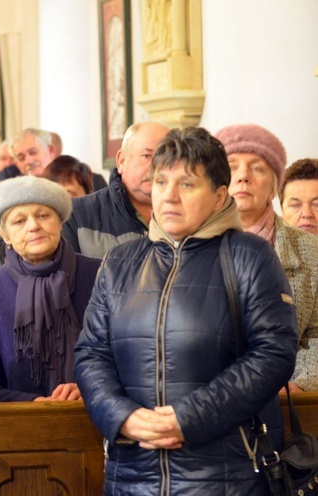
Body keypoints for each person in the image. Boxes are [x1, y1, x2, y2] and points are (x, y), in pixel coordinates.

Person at [74, 127, 298, 494]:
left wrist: (187, 419)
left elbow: (273, 354)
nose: (170, 196)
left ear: (219, 195)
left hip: (224, 474)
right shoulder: (121, 262)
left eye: (187, 184)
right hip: (133, 475)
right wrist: (121, 417)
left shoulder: (248, 256)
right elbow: (91, 353)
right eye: (161, 182)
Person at [0, 175, 101, 402]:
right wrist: (29, 404)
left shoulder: (100, 276)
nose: (34, 226)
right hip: (15, 427)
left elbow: (124, 358)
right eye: (19, 221)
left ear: (60, 222)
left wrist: (90, 389)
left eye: (43, 215)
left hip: (97, 419)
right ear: (5, 235)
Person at [216, 124, 318, 391]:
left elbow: (317, 335)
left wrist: (298, 383)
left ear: (274, 188)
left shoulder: (311, 250)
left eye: (257, 168)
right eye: (232, 166)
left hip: (286, 397)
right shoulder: (190, 244)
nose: (243, 177)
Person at [63, 121, 169, 258]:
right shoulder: (75, 214)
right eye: (147, 156)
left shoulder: (188, 216)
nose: (157, 167)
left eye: (165, 158)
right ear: (121, 161)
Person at [280, 158, 318, 235]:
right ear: (282, 210)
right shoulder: (263, 246)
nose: (306, 214)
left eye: (316, 205)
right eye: (295, 205)